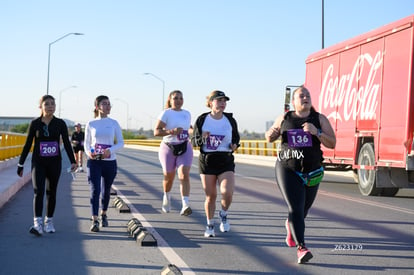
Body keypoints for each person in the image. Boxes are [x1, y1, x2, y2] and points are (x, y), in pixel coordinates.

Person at [265, 85, 336, 264]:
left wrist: (316, 132)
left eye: (308, 95)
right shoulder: (285, 117)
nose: (306, 98)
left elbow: (332, 143)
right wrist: (271, 134)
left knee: (303, 211)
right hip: (287, 168)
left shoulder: (319, 119)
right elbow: (269, 137)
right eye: (301, 96)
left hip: (313, 171)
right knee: (295, 207)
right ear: (294, 101)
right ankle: (302, 248)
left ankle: (291, 227)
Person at [17, 95, 77, 236]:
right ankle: (37, 224)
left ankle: (48, 221)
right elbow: (27, 145)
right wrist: (21, 164)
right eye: (47, 104)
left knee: (52, 192)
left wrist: (73, 161)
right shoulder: (35, 123)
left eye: (53, 104)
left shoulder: (60, 123)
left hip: (55, 162)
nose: (51, 106)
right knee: (39, 191)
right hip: (38, 162)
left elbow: (67, 143)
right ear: (41, 107)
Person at [192, 90, 240, 237]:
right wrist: (203, 139)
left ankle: (223, 214)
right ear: (211, 102)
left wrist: (234, 146)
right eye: (219, 100)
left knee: (227, 192)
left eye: (224, 101)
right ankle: (210, 225)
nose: (222, 103)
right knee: (211, 196)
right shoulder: (202, 119)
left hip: (225, 160)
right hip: (207, 161)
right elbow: (194, 142)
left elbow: (236, 139)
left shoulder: (230, 120)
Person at [84, 95, 124, 232]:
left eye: (109, 104)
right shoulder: (91, 124)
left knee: (106, 190)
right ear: (97, 107)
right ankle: (94, 220)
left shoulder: (114, 123)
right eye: (104, 104)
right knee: (95, 190)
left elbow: (121, 142)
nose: (108, 106)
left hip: (110, 162)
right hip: (94, 162)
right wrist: (89, 153)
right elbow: (87, 144)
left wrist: (110, 150)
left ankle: (104, 214)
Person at [154, 90, 193, 216]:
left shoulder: (186, 113)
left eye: (181, 98)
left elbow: (189, 128)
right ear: (170, 100)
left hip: (185, 146)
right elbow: (157, 132)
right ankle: (166, 195)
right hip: (168, 148)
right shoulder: (166, 113)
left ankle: (185, 204)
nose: (178, 101)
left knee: (184, 174)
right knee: (168, 177)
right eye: (175, 98)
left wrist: (196, 132)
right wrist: (171, 131)